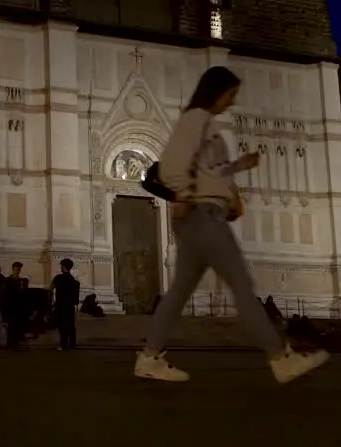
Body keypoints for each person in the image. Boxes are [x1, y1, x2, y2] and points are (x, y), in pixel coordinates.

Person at [134, 66, 328, 384]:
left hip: (204, 216)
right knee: (241, 285)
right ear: (216, 91)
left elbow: (211, 171)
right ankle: (281, 358)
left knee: (179, 292)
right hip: (203, 217)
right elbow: (172, 166)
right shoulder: (195, 119)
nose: (232, 102)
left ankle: (149, 357)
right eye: (231, 95)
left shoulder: (206, 125)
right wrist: (184, 194)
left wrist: (239, 166)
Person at [50, 258, 81, 351]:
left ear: (63, 267)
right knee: (70, 325)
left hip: (60, 305)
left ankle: (63, 345)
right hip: (70, 306)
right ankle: (72, 344)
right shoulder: (73, 280)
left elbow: (50, 288)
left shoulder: (58, 278)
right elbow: (76, 298)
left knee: (62, 326)